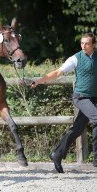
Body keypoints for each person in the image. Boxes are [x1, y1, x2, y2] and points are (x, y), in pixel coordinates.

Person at [31, 33, 97, 173]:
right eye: (82, 43)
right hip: (81, 97)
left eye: (87, 43)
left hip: (94, 98)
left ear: (93, 45)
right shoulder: (76, 58)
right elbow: (58, 72)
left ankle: (57, 154)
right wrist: (39, 81)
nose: (83, 46)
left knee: (78, 129)